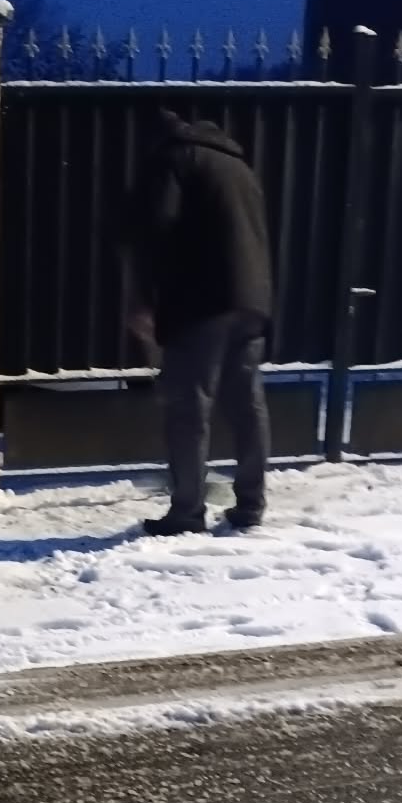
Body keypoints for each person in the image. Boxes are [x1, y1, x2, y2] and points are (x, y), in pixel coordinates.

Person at [124, 110, 275, 536]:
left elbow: (156, 228)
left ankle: (187, 511)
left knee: (188, 407)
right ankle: (251, 504)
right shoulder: (238, 166)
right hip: (250, 299)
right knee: (246, 404)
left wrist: (144, 297)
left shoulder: (173, 158)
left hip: (200, 301)